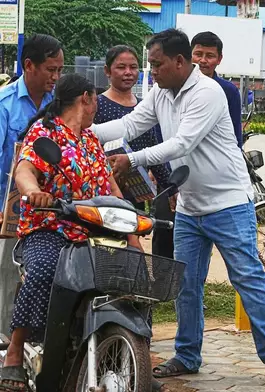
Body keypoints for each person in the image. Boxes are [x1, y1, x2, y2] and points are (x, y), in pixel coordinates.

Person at [91, 28, 265, 387]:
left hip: (229, 204)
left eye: (157, 65)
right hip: (189, 206)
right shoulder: (160, 92)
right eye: (150, 66)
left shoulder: (208, 92)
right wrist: (81, 130)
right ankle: (187, 354)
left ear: (178, 61)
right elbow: (129, 124)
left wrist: (131, 158)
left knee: (247, 280)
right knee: (186, 284)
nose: (151, 72)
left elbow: (180, 143)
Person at [0, 73, 142, 392]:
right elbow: (25, 169)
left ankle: (130, 357)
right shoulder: (46, 132)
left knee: (127, 277)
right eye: (95, 102)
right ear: (86, 99)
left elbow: (111, 187)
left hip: (93, 232)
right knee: (41, 272)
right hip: (49, 229)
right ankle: (13, 354)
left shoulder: (91, 140)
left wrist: (132, 232)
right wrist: (34, 191)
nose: (96, 109)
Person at [0, 34, 63, 336]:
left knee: (38, 279)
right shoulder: (5, 105)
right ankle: (4, 349)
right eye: (51, 69)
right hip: (7, 212)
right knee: (7, 278)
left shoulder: (59, 106)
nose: (56, 77)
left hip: (47, 213)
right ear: (29, 65)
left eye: (60, 70)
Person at [94, 45, 174, 211]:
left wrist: (170, 187)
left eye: (133, 67)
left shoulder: (145, 107)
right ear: (107, 71)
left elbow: (153, 150)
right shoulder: (96, 105)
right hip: (102, 192)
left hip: (137, 191)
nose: (128, 72)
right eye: (121, 67)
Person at [191, 31, 243, 148]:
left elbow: (235, 134)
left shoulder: (229, 91)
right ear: (189, 56)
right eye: (198, 54)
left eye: (210, 56)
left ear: (219, 59)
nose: (203, 60)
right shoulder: (178, 87)